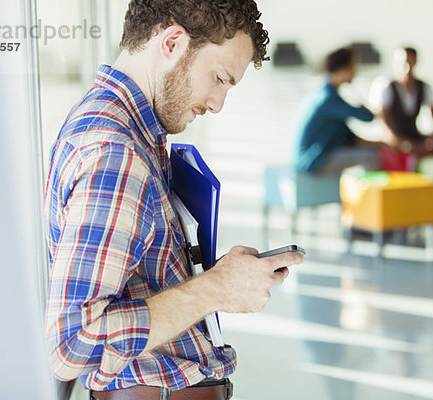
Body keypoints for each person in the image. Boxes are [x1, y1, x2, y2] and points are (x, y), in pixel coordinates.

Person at [44, 1, 304, 399]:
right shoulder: (117, 152)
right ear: (171, 43)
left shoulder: (126, 129)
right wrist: (217, 289)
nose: (217, 104)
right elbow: (72, 344)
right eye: (219, 78)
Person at [293, 46, 378, 175]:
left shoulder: (320, 93)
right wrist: (360, 102)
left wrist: (380, 143)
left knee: (370, 151)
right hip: (312, 162)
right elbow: (368, 117)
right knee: (371, 157)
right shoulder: (329, 99)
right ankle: (369, 194)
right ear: (341, 69)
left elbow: (348, 135)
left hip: (308, 159)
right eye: (352, 66)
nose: (355, 72)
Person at [379, 47, 433, 157]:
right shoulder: (387, 87)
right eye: (401, 63)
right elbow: (383, 124)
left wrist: (432, 139)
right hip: (394, 140)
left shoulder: (425, 87)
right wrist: (400, 143)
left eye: (410, 62)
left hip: (414, 136)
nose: (406, 67)